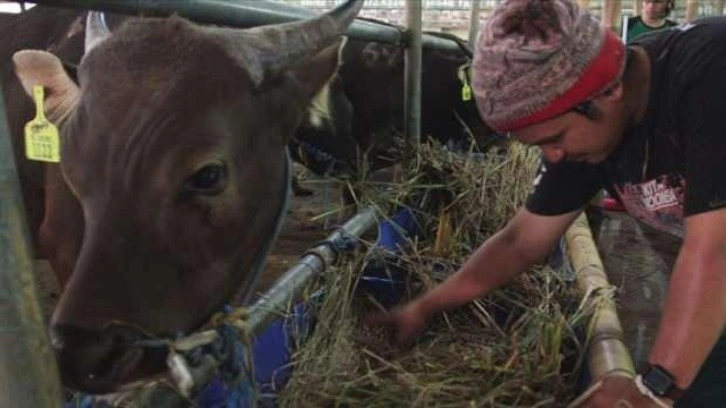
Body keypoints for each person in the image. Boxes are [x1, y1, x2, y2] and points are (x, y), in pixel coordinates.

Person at [367, 0, 726, 407]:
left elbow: (714, 249)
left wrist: (653, 390)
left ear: (608, 90)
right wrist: (425, 306)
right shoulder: (590, 130)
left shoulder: (711, 73)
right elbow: (521, 241)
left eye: (554, 139)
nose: (553, 157)